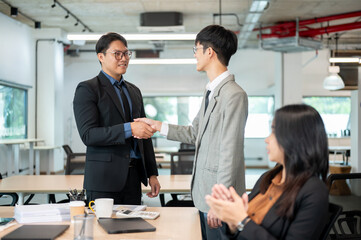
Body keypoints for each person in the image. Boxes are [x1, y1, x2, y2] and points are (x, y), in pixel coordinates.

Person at [135, 25, 248, 239]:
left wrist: (219, 202)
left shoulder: (234, 95)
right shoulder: (210, 91)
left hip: (218, 200)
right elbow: (194, 133)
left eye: (196, 49)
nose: (195, 55)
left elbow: (229, 153)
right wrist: (158, 125)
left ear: (209, 52)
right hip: (204, 195)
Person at [206, 104, 329, 240]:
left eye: (274, 132)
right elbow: (239, 231)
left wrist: (241, 220)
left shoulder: (314, 191)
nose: (267, 139)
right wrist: (232, 221)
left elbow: (246, 224)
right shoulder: (269, 178)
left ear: (294, 138)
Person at [73, 32, 160, 205]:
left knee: (133, 230)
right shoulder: (88, 89)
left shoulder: (134, 91)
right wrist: (129, 129)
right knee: (102, 230)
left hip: (133, 179)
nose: (123, 58)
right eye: (117, 54)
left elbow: (145, 135)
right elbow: (89, 135)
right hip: (103, 180)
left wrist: (152, 174)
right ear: (101, 56)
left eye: (126, 53)